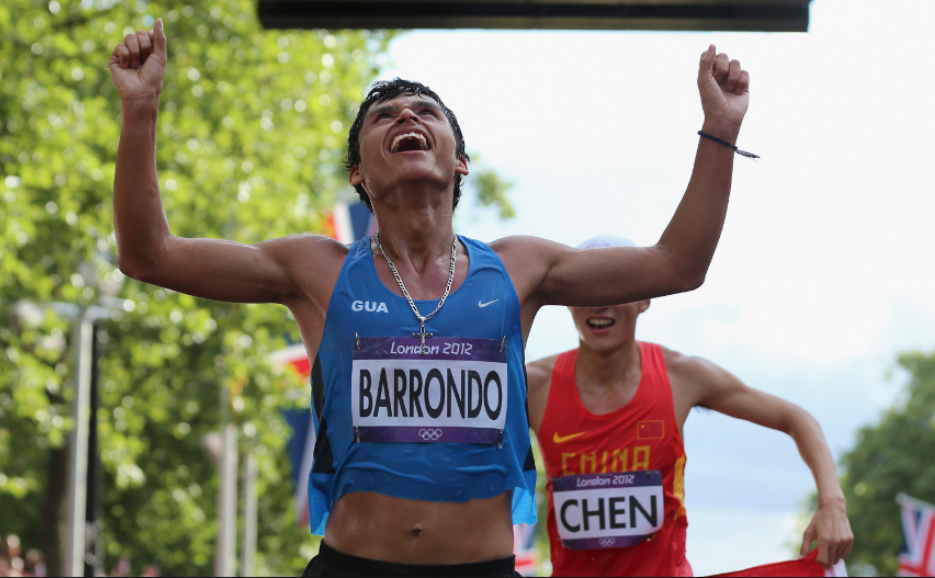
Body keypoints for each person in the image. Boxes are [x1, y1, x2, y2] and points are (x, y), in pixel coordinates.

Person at [109, 18, 752, 577]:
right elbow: (149, 255)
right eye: (384, 117)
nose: (407, 118)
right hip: (351, 568)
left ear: (461, 162)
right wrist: (140, 111)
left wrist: (719, 129)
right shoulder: (316, 268)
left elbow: (677, 265)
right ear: (358, 173)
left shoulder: (520, 265)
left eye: (426, 113)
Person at [527, 236, 855, 577]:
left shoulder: (682, 375)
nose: (600, 303)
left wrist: (833, 503)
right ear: (566, 300)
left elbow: (797, 418)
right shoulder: (532, 385)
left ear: (645, 299)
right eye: (587, 290)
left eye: (617, 288)